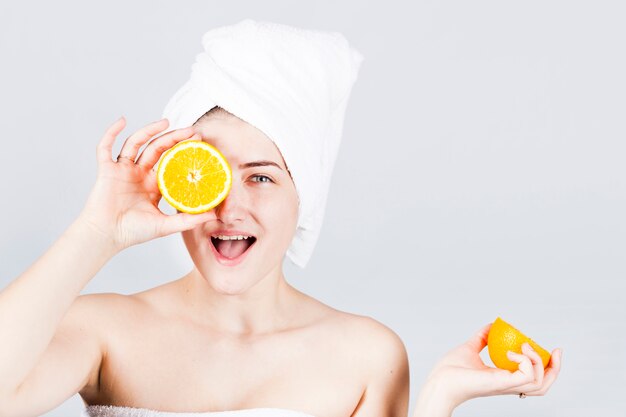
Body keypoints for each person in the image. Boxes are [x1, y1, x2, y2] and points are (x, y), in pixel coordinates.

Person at [0, 20, 561, 417]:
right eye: (211, 173)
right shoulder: (103, 333)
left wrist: (438, 400)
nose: (229, 208)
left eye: (262, 177)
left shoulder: (367, 355)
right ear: (180, 182)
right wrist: (97, 231)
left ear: (305, 197)